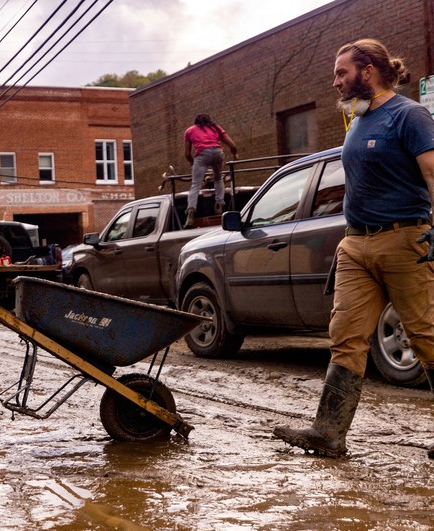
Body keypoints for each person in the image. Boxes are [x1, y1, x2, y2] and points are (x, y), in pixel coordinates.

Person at [273, 39, 434, 460]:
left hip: (405, 240)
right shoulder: (358, 119)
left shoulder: (409, 115)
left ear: (368, 70)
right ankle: (328, 433)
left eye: (342, 72)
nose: (335, 81)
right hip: (356, 244)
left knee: (425, 335)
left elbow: (433, 172)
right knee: (345, 338)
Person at [183, 114, 238, 228]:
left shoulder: (189, 130)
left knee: (196, 184)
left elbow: (187, 154)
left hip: (202, 154)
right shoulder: (215, 128)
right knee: (218, 178)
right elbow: (232, 145)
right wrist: (234, 154)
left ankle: (191, 211)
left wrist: (193, 163)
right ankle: (219, 204)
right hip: (218, 153)